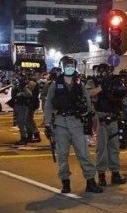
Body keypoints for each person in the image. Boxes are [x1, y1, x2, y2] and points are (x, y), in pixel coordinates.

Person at [43, 56, 102, 194]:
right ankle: (65, 182)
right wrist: (47, 123)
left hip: (76, 123)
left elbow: (88, 104)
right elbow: (48, 105)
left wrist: (87, 116)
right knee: (62, 156)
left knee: (84, 154)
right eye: (67, 66)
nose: (69, 68)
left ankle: (91, 181)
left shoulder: (80, 84)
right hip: (60, 124)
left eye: (71, 66)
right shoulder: (54, 85)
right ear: (63, 67)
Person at [94, 73, 127, 187]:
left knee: (114, 148)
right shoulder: (94, 83)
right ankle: (101, 175)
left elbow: (122, 98)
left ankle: (115, 173)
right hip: (101, 120)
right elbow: (89, 94)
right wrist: (101, 87)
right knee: (101, 149)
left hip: (113, 119)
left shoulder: (116, 84)